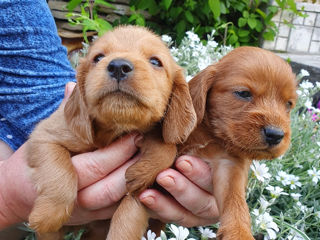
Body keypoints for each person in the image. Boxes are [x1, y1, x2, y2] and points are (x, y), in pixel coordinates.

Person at [0, 0, 219, 238]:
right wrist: (12, 199)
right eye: (99, 58)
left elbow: (34, 79)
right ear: (81, 88)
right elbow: (46, 139)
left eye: (154, 62)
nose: (119, 66)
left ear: (174, 95)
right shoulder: (70, 124)